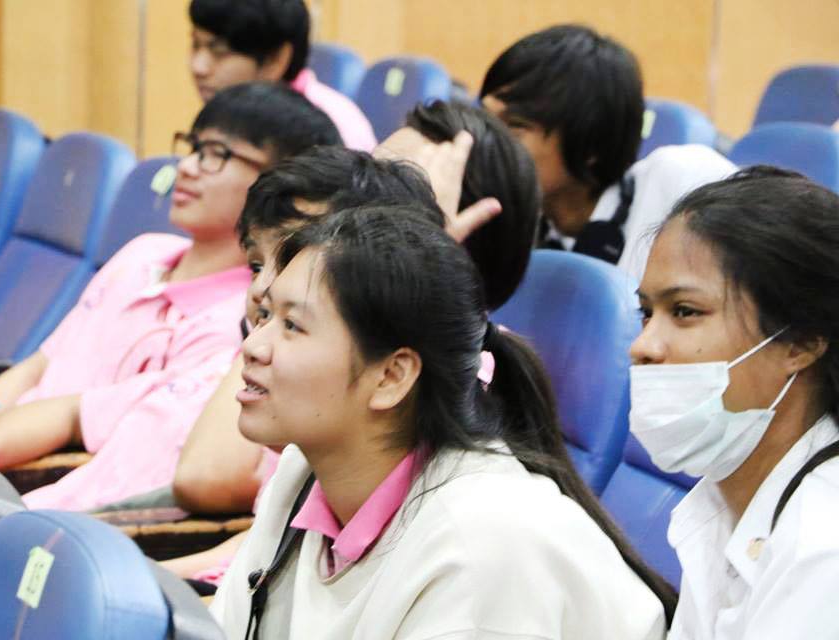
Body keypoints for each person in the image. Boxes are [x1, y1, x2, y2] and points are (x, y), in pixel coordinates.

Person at [209, 206, 672, 639]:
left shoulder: (483, 542)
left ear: (391, 377)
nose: (254, 345)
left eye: (292, 326)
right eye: (265, 316)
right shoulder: (303, 473)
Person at [0, 83, 342, 512]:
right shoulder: (142, 251)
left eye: (216, 154)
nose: (187, 167)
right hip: (3, 450)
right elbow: (44, 362)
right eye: (193, 148)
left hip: (45, 486)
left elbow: (144, 459)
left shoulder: (236, 325)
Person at [170, 100, 538, 519]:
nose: (357, 198)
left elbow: (207, 475)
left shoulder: (460, 377)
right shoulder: (309, 362)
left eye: (391, 202)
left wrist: (418, 264)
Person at [629, 166, 839, 639]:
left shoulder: (825, 545)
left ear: (801, 342)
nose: (643, 344)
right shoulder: (722, 493)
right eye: (646, 312)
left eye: (684, 311)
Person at [480, 24, 735, 279]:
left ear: (590, 142)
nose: (483, 139)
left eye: (515, 126)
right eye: (485, 119)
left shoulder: (681, 179)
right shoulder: (500, 223)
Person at [188, 0, 376, 151]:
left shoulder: (332, 134)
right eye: (195, 45)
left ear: (275, 60)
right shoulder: (228, 113)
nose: (198, 67)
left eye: (220, 51)